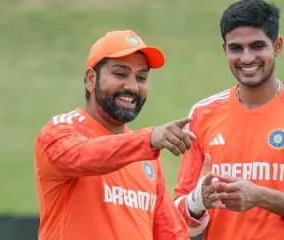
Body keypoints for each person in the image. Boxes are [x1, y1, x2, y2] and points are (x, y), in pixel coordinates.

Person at [173, 0, 284, 239]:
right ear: (224, 49)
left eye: (257, 46)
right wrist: (197, 201)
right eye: (236, 48)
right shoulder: (202, 113)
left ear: (277, 46)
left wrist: (260, 197)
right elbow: (176, 212)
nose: (246, 58)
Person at [34, 30, 194, 240]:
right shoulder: (61, 130)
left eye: (141, 77)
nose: (132, 86)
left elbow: (171, 234)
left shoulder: (147, 157)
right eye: (120, 74)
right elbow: (80, 155)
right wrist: (147, 139)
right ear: (91, 79)